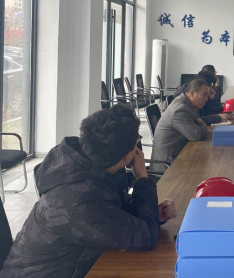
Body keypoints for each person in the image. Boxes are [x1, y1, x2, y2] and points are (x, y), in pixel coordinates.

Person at [0, 105, 177, 278]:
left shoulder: (84, 165)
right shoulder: (80, 200)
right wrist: (142, 178)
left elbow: (108, 211)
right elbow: (146, 237)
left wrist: (151, 214)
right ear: (127, 156)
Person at [151, 79, 210, 172]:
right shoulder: (180, 109)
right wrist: (202, 124)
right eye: (204, 95)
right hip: (167, 166)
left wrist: (199, 122)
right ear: (192, 93)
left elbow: (197, 120)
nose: (206, 99)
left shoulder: (185, 103)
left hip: (177, 154)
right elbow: (197, 135)